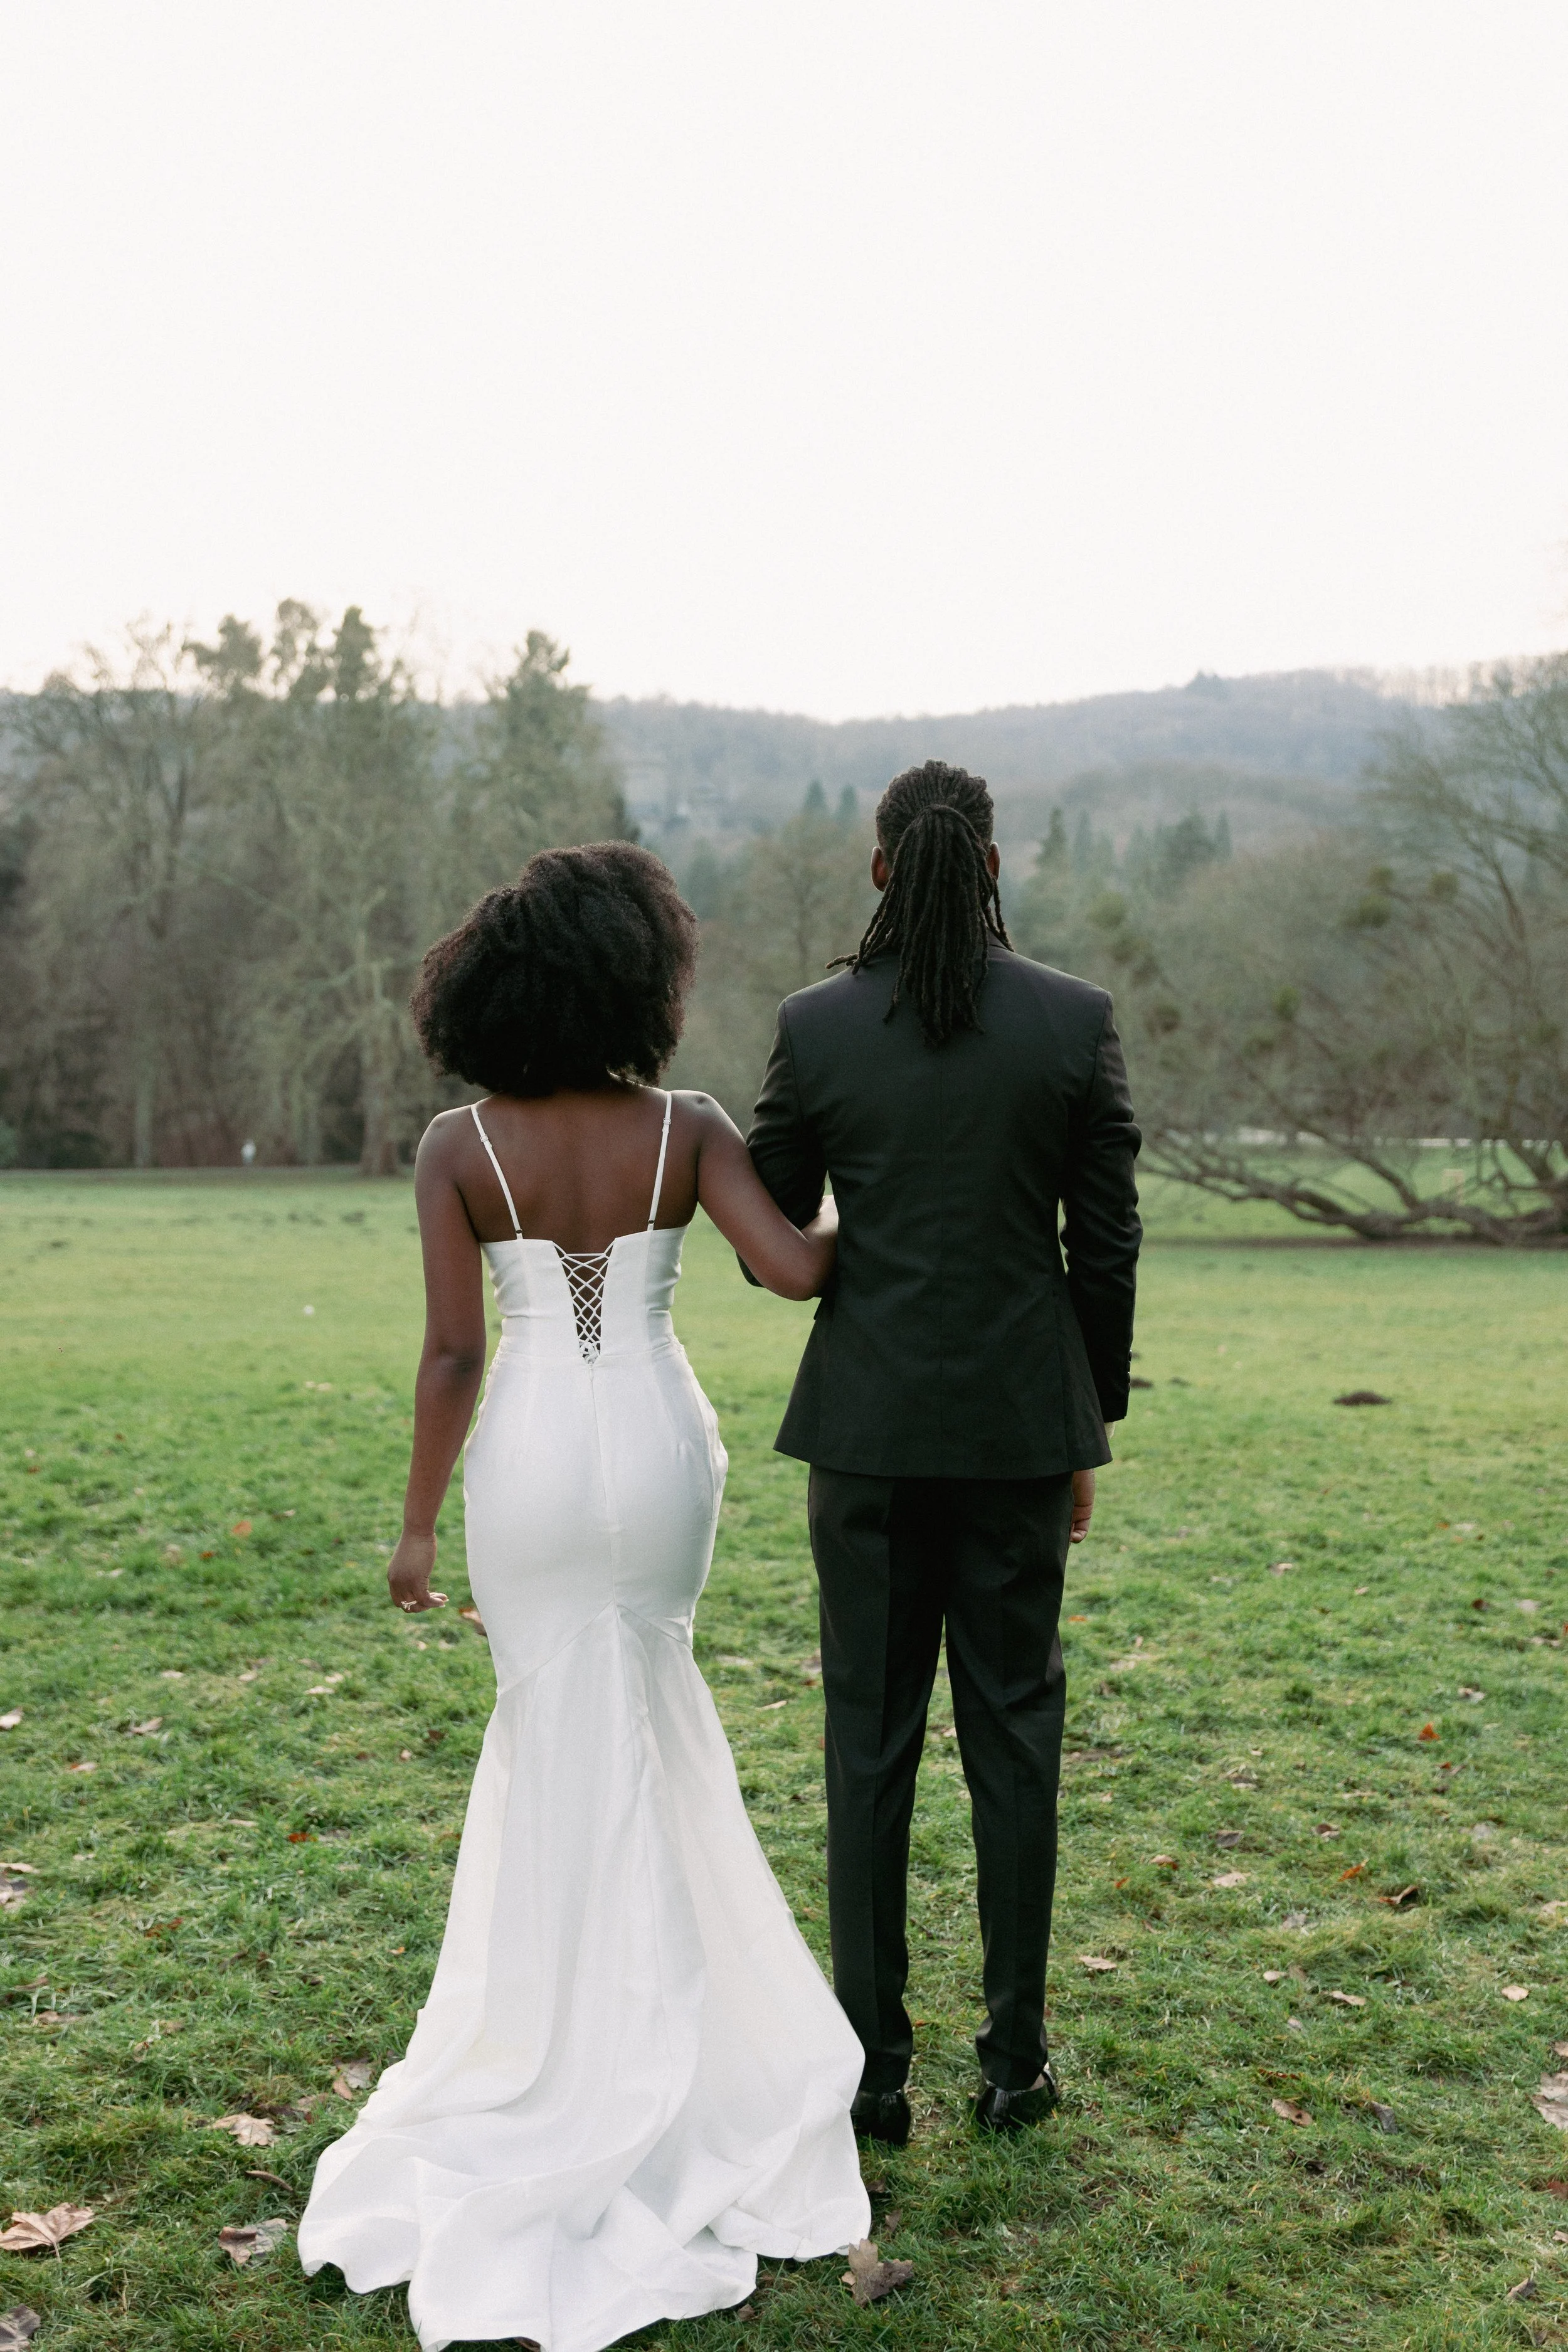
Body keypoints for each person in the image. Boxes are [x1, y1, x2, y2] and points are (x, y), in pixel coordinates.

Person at [298, 843, 870, 2352]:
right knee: (654, 1708)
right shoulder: (686, 1128)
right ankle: (673, 2061)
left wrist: (417, 1530)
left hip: (536, 1463)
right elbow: (794, 1274)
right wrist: (876, 1197)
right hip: (660, 1453)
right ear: (637, 979)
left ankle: (557, 2046)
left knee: (558, 1725)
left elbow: (451, 1359)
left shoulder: (454, 1150)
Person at [743, 760, 1142, 2142]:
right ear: (989, 865)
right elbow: (1105, 1244)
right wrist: (1085, 1419)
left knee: (867, 1742)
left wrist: (883, 1237)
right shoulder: (1071, 1023)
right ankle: (1014, 2066)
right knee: (1015, 1738)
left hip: (861, 1433)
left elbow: (778, 1228)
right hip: (1020, 1431)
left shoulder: (815, 1026)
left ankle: (870, 2077)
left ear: (877, 868)